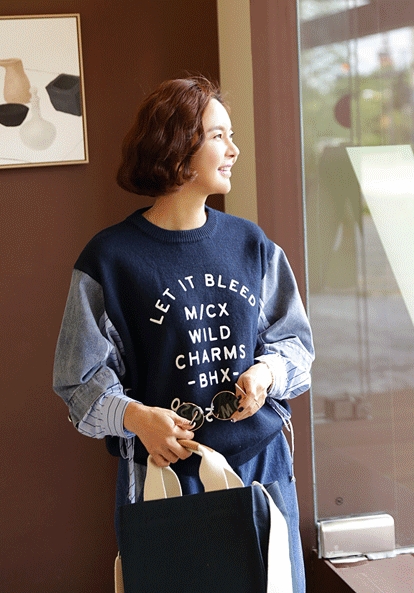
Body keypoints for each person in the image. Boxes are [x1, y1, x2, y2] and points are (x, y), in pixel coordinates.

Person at [53, 76, 314, 591]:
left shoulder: (251, 244)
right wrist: (137, 418)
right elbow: (77, 380)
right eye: (219, 136)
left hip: (261, 466)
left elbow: (297, 345)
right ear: (177, 147)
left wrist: (265, 374)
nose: (234, 150)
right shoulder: (110, 259)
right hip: (165, 476)